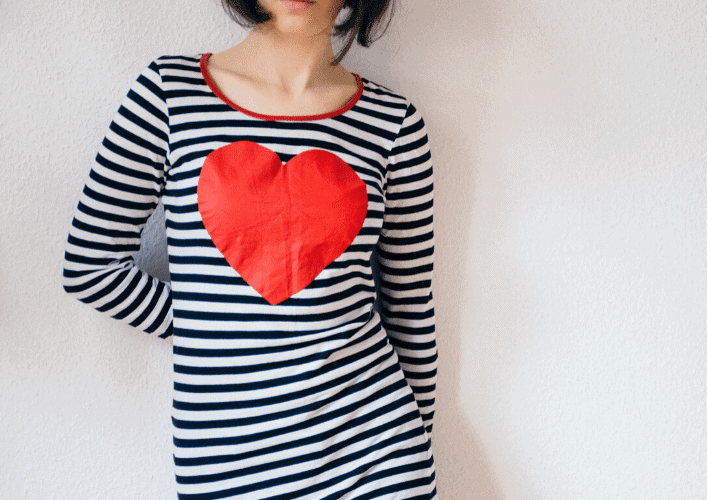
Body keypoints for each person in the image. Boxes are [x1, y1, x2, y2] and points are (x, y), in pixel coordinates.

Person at [62, 0, 438, 498]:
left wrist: (422, 434)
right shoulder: (170, 94)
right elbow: (90, 266)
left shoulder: (394, 124)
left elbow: (409, 307)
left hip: (380, 455)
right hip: (227, 462)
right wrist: (213, 327)